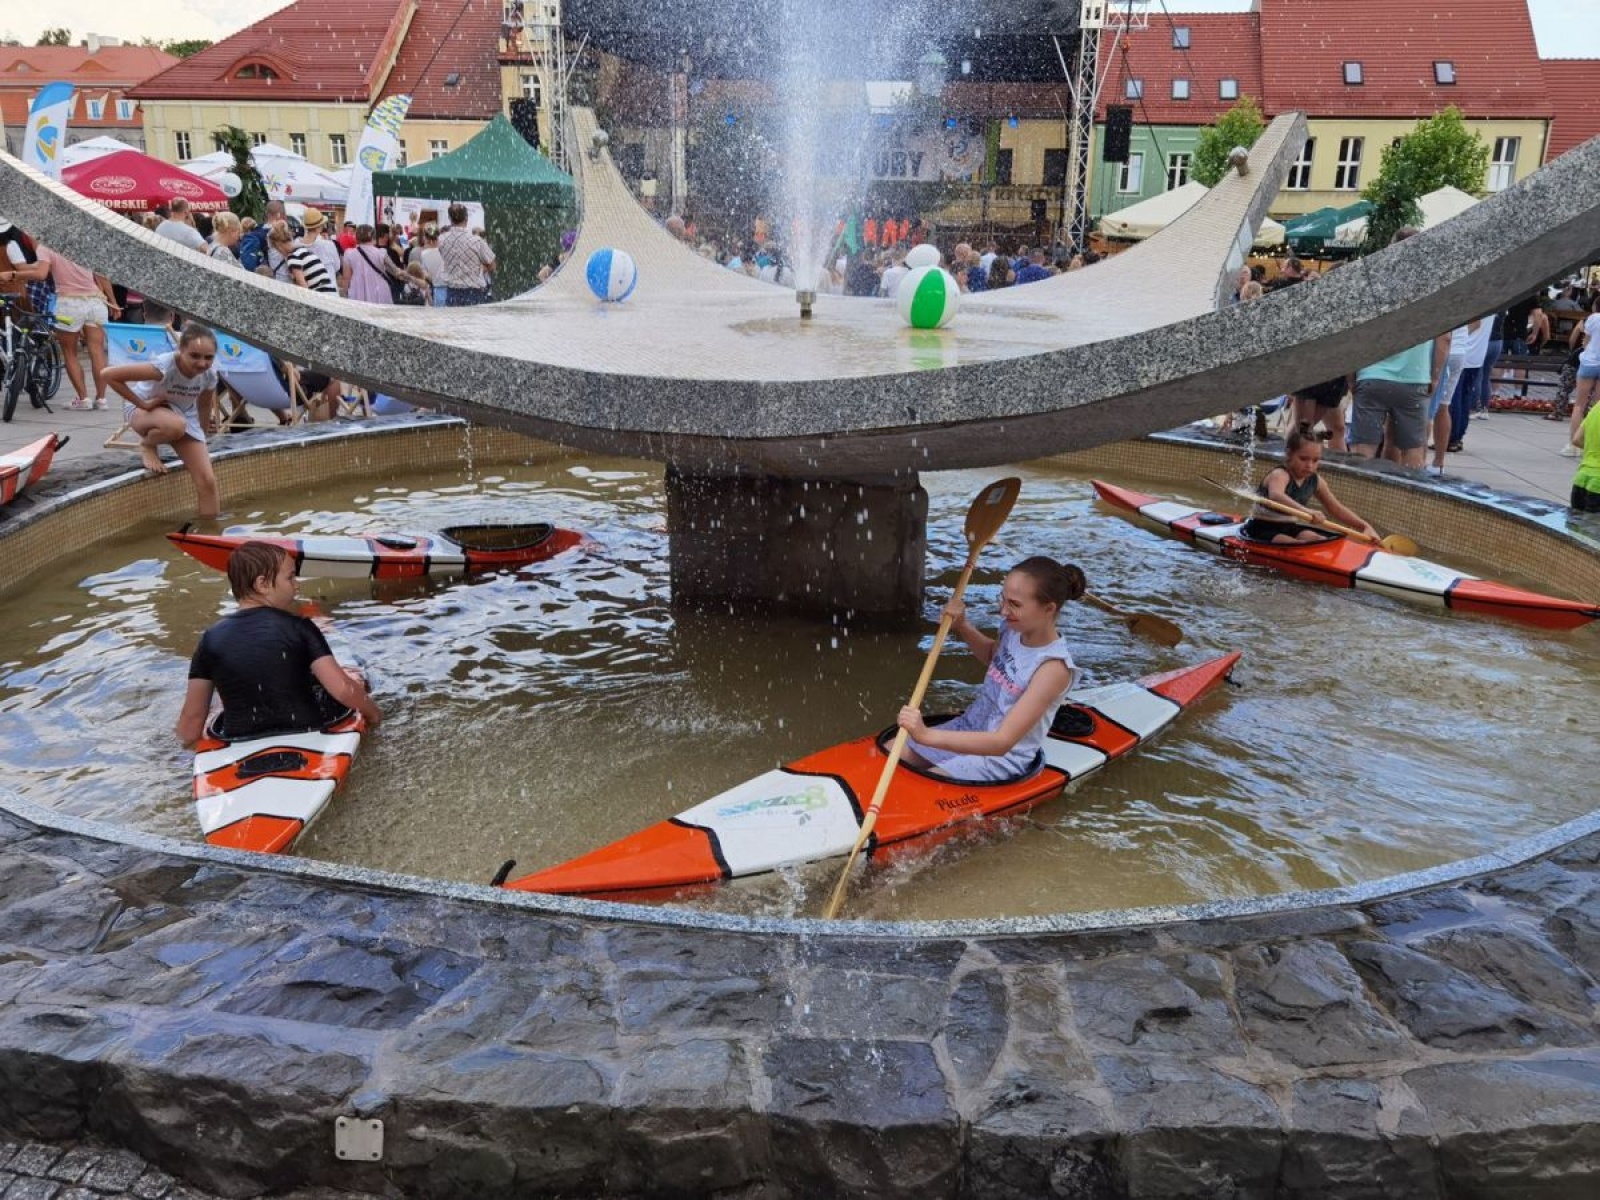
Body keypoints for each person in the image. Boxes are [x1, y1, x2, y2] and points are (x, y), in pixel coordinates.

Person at [896, 557, 1086, 782]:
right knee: (890, 753)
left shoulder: (1052, 668)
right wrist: (962, 626)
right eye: (1002, 599)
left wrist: (925, 735)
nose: (1004, 611)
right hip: (970, 728)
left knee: (921, 785)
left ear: (1049, 609)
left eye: (1015, 604)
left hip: (1001, 758)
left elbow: (1001, 742)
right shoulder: (1013, 629)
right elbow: (991, 655)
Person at [176, 541, 382, 746]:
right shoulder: (299, 627)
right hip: (305, 728)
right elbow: (343, 690)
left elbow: (192, 719)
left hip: (238, 736)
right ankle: (323, 620)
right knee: (351, 676)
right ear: (262, 584)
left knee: (222, 704)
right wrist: (374, 715)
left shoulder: (210, 639)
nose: (297, 584)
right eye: (290, 577)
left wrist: (186, 751)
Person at [100, 320, 222, 517]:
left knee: (207, 480)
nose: (202, 363)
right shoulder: (163, 367)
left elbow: (204, 404)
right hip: (146, 413)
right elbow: (108, 375)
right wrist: (142, 403)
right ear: (181, 350)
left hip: (182, 417)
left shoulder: (209, 375)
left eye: (208, 357)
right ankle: (148, 445)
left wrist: (203, 434)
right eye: (194, 356)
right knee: (175, 425)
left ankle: (211, 533)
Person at [6, 240, 120, 410]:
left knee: (70, 353)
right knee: (97, 352)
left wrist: (13, 275)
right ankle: (102, 399)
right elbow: (102, 276)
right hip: (96, 301)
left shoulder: (47, 246)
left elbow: (41, 274)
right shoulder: (87, 245)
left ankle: (83, 399)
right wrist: (113, 302)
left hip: (69, 303)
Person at [1242, 424, 1378, 544]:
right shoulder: (1280, 474)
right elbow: (1276, 495)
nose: (1309, 466)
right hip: (1260, 528)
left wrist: (1364, 526)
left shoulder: (1316, 480)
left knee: (1320, 541)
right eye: (1303, 459)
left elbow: (1335, 508)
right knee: (1292, 544)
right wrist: (1307, 511)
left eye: (1315, 460)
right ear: (1289, 454)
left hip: (1289, 527)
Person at [1561, 296, 1600, 457]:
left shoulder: (1593, 318)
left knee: (1579, 405)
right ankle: (1592, 444)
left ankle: (1573, 445)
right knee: (1597, 407)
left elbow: (1585, 341)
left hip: (1589, 363)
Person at [436, 202, 495, 306]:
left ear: (450, 218)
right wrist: (477, 270)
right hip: (475, 293)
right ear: (466, 218)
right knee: (474, 322)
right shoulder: (477, 241)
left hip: (452, 292)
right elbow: (492, 265)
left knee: (454, 322)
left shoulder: (442, 240)